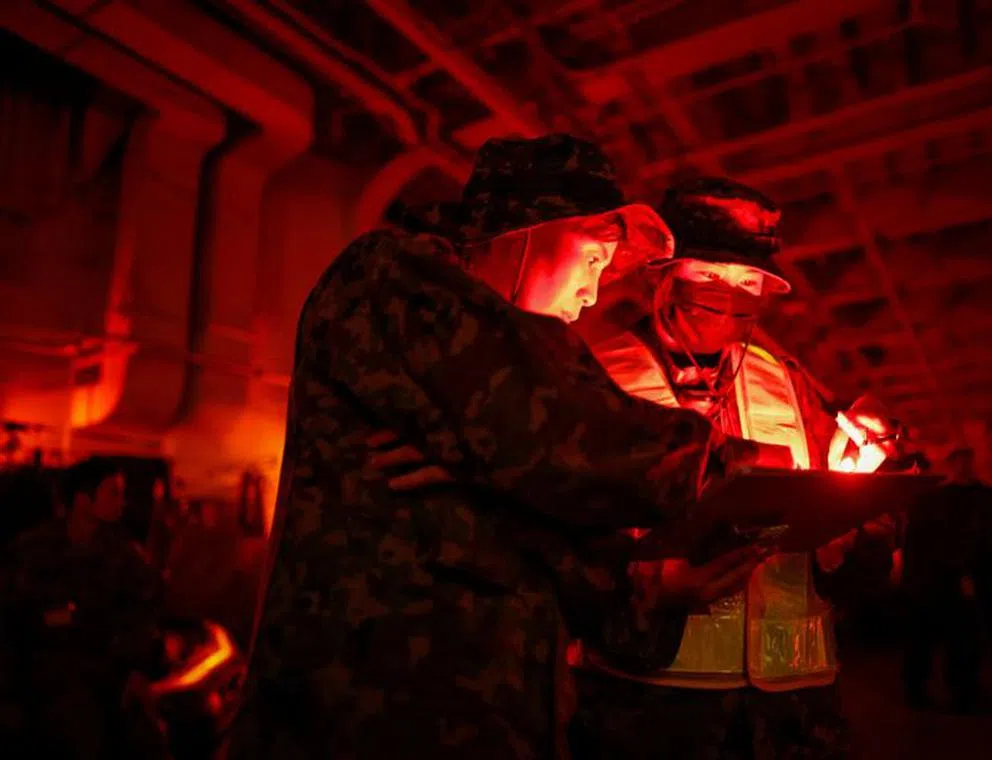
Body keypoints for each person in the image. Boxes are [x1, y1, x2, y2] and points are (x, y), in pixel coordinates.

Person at [229, 135, 779, 760]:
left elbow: (550, 532)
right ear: (533, 230)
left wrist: (653, 593)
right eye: (595, 259)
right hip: (353, 726)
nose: (593, 294)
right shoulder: (387, 279)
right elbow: (554, 426)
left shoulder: (492, 421)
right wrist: (735, 464)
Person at [571, 178, 856, 760]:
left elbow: (834, 523)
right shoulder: (594, 373)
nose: (729, 293)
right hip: (648, 703)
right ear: (661, 275)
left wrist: (856, 531)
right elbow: (558, 535)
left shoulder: (794, 385)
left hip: (795, 703)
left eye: (748, 282)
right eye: (708, 274)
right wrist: (646, 595)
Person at [0, 456, 165, 758]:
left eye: (122, 492)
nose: (122, 502)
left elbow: (145, 608)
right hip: (48, 677)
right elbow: (11, 619)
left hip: (106, 671)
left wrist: (137, 667)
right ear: (83, 499)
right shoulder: (32, 550)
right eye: (113, 492)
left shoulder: (123, 555)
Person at [901, 446, 992, 711]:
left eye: (967, 461)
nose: (964, 466)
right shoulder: (936, 499)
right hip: (942, 575)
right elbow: (921, 541)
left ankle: (963, 688)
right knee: (951, 634)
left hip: (968, 572)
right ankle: (949, 689)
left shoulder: (980, 496)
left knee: (966, 634)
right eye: (960, 461)